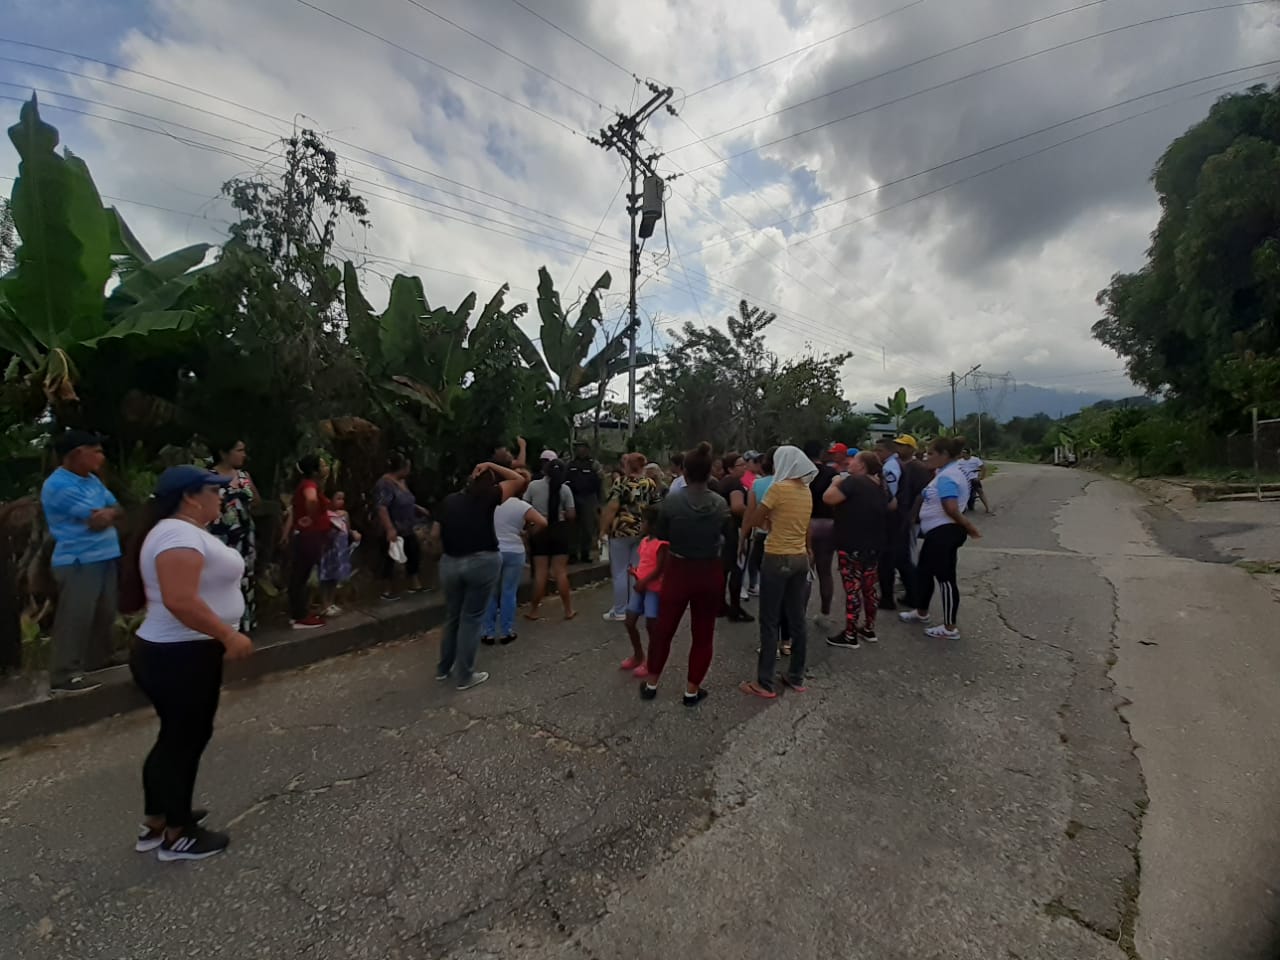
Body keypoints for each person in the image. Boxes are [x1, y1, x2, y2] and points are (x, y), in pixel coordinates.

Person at [129, 465, 253, 861]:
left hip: (178, 653)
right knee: (185, 741)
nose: (220, 497)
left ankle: (158, 820)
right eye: (213, 491)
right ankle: (178, 835)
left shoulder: (180, 532)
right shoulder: (176, 534)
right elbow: (179, 599)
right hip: (181, 654)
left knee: (173, 738)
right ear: (189, 496)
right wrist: (228, 634)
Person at [640, 443, 728, 706]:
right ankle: (692, 689)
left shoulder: (673, 501)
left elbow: (663, 536)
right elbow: (727, 538)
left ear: (685, 473)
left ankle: (652, 682)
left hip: (679, 569)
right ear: (710, 473)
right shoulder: (720, 503)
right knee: (703, 633)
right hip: (709, 569)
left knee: (664, 629)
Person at [41, 430, 123, 695]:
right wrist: (105, 514)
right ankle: (65, 675)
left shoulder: (92, 481)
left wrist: (108, 512)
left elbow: (116, 509)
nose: (101, 457)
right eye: (96, 451)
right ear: (77, 453)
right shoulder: (59, 486)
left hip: (105, 554)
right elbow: (96, 521)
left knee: (105, 611)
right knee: (76, 616)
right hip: (79, 559)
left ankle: (97, 659)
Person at [434, 460, 525, 689]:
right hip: (482, 561)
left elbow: (435, 534)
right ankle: (465, 676)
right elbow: (519, 479)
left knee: (452, 616)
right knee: (472, 618)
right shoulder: (489, 497)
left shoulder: (449, 501)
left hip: (450, 563)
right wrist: (492, 465)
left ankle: (444, 669)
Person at [742, 445, 816, 700]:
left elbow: (755, 519)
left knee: (770, 619)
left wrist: (763, 521)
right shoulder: (806, 491)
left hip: (776, 557)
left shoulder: (777, 488)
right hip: (800, 558)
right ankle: (796, 676)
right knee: (797, 618)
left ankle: (764, 682)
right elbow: (803, 525)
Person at [900, 438, 982, 640]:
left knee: (945, 579)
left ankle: (949, 627)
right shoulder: (944, 473)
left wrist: (969, 527)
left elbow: (951, 507)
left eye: (931, 453)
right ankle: (921, 611)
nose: (927, 457)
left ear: (944, 455)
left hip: (945, 532)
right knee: (924, 572)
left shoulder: (948, 476)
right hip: (937, 532)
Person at [823, 451, 889, 647]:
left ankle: (850, 634)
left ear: (862, 466)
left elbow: (829, 498)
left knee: (852, 588)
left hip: (851, 543)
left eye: (854, 460)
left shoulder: (853, 482)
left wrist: (835, 482)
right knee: (869, 588)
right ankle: (869, 628)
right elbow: (891, 505)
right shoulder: (880, 486)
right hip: (874, 544)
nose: (849, 462)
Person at [482, 469, 544, 646]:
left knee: (490, 593)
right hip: (514, 550)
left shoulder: (489, 503)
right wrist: (527, 532)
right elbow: (542, 522)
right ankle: (507, 631)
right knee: (509, 592)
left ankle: (487, 632)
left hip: (493, 549)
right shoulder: (521, 506)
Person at [599, 453, 658, 622]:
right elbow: (656, 506)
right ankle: (634, 606)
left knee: (619, 571)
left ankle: (619, 610)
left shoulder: (621, 483)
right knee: (636, 570)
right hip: (641, 531)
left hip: (621, 531)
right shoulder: (650, 484)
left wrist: (603, 530)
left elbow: (611, 507)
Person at [209, 439, 258, 633]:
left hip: (245, 536)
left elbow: (257, 501)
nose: (243, 455)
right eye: (239, 450)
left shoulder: (243, 476)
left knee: (244, 578)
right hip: (222, 536)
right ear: (224, 453)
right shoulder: (209, 477)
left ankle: (245, 623)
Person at [524, 458, 578, 621]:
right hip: (559, 530)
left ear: (545, 470)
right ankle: (568, 610)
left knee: (541, 573)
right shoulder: (565, 489)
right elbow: (571, 514)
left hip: (540, 529)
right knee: (560, 572)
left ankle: (534, 610)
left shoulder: (533, 486)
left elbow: (525, 508)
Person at [373, 453, 429, 601]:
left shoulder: (402, 481)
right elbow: (382, 507)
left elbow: (404, 499)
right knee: (389, 556)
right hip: (393, 524)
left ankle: (415, 583)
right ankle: (387, 590)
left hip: (407, 525)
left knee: (413, 551)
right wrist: (390, 528)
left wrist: (417, 508)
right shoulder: (384, 484)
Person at [621, 506, 667, 679]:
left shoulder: (662, 544)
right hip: (640, 586)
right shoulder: (645, 541)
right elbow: (646, 564)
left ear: (653, 524)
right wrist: (636, 573)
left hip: (653, 589)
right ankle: (638, 654)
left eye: (644, 521)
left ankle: (652, 661)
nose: (641, 524)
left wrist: (644, 581)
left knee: (651, 625)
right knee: (629, 620)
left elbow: (660, 569)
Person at [288, 455, 331, 629]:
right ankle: (300, 616)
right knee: (301, 575)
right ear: (314, 471)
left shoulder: (310, 484)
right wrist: (312, 517)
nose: (326, 467)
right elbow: (311, 500)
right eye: (322, 465)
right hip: (309, 535)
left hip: (310, 535)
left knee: (301, 574)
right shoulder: (309, 485)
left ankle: (299, 612)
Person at [803, 440, 840, 622]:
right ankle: (825, 612)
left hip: (806, 523)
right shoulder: (832, 473)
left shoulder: (801, 473)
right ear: (820, 453)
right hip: (828, 523)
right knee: (825, 571)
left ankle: (799, 612)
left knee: (805, 571)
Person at [717, 452, 753, 623]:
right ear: (730, 468)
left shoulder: (723, 482)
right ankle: (735, 607)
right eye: (740, 465)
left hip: (722, 529)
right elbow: (737, 506)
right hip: (735, 529)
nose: (744, 467)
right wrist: (754, 515)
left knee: (724, 568)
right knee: (736, 568)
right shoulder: (735, 484)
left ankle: (720, 605)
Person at [318, 491, 360, 617]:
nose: (341, 501)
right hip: (328, 550)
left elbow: (347, 529)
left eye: (343, 499)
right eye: (338, 498)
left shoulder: (344, 514)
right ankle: (324, 604)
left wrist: (354, 534)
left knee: (334, 578)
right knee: (325, 578)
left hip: (340, 551)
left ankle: (331, 602)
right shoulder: (325, 515)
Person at [742, 448, 776, 600]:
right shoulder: (793, 484)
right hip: (784, 536)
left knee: (757, 562)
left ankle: (757, 587)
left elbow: (750, 515)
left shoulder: (757, 484)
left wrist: (743, 537)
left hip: (762, 533)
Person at [566, 441, 602, 563]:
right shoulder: (570, 464)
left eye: (582, 447)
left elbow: (600, 483)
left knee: (588, 526)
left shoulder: (594, 464)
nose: (580, 450)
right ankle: (572, 554)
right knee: (572, 527)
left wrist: (600, 502)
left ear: (587, 449)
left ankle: (585, 553)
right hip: (573, 497)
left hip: (589, 498)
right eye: (578, 448)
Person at [958, 447, 991, 513]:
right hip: (964, 479)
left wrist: (982, 476)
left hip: (973, 478)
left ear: (967, 453)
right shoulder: (959, 461)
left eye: (963, 453)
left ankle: (987, 508)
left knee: (980, 491)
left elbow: (983, 468)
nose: (962, 454)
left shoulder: (975, 460)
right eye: (962, 452)